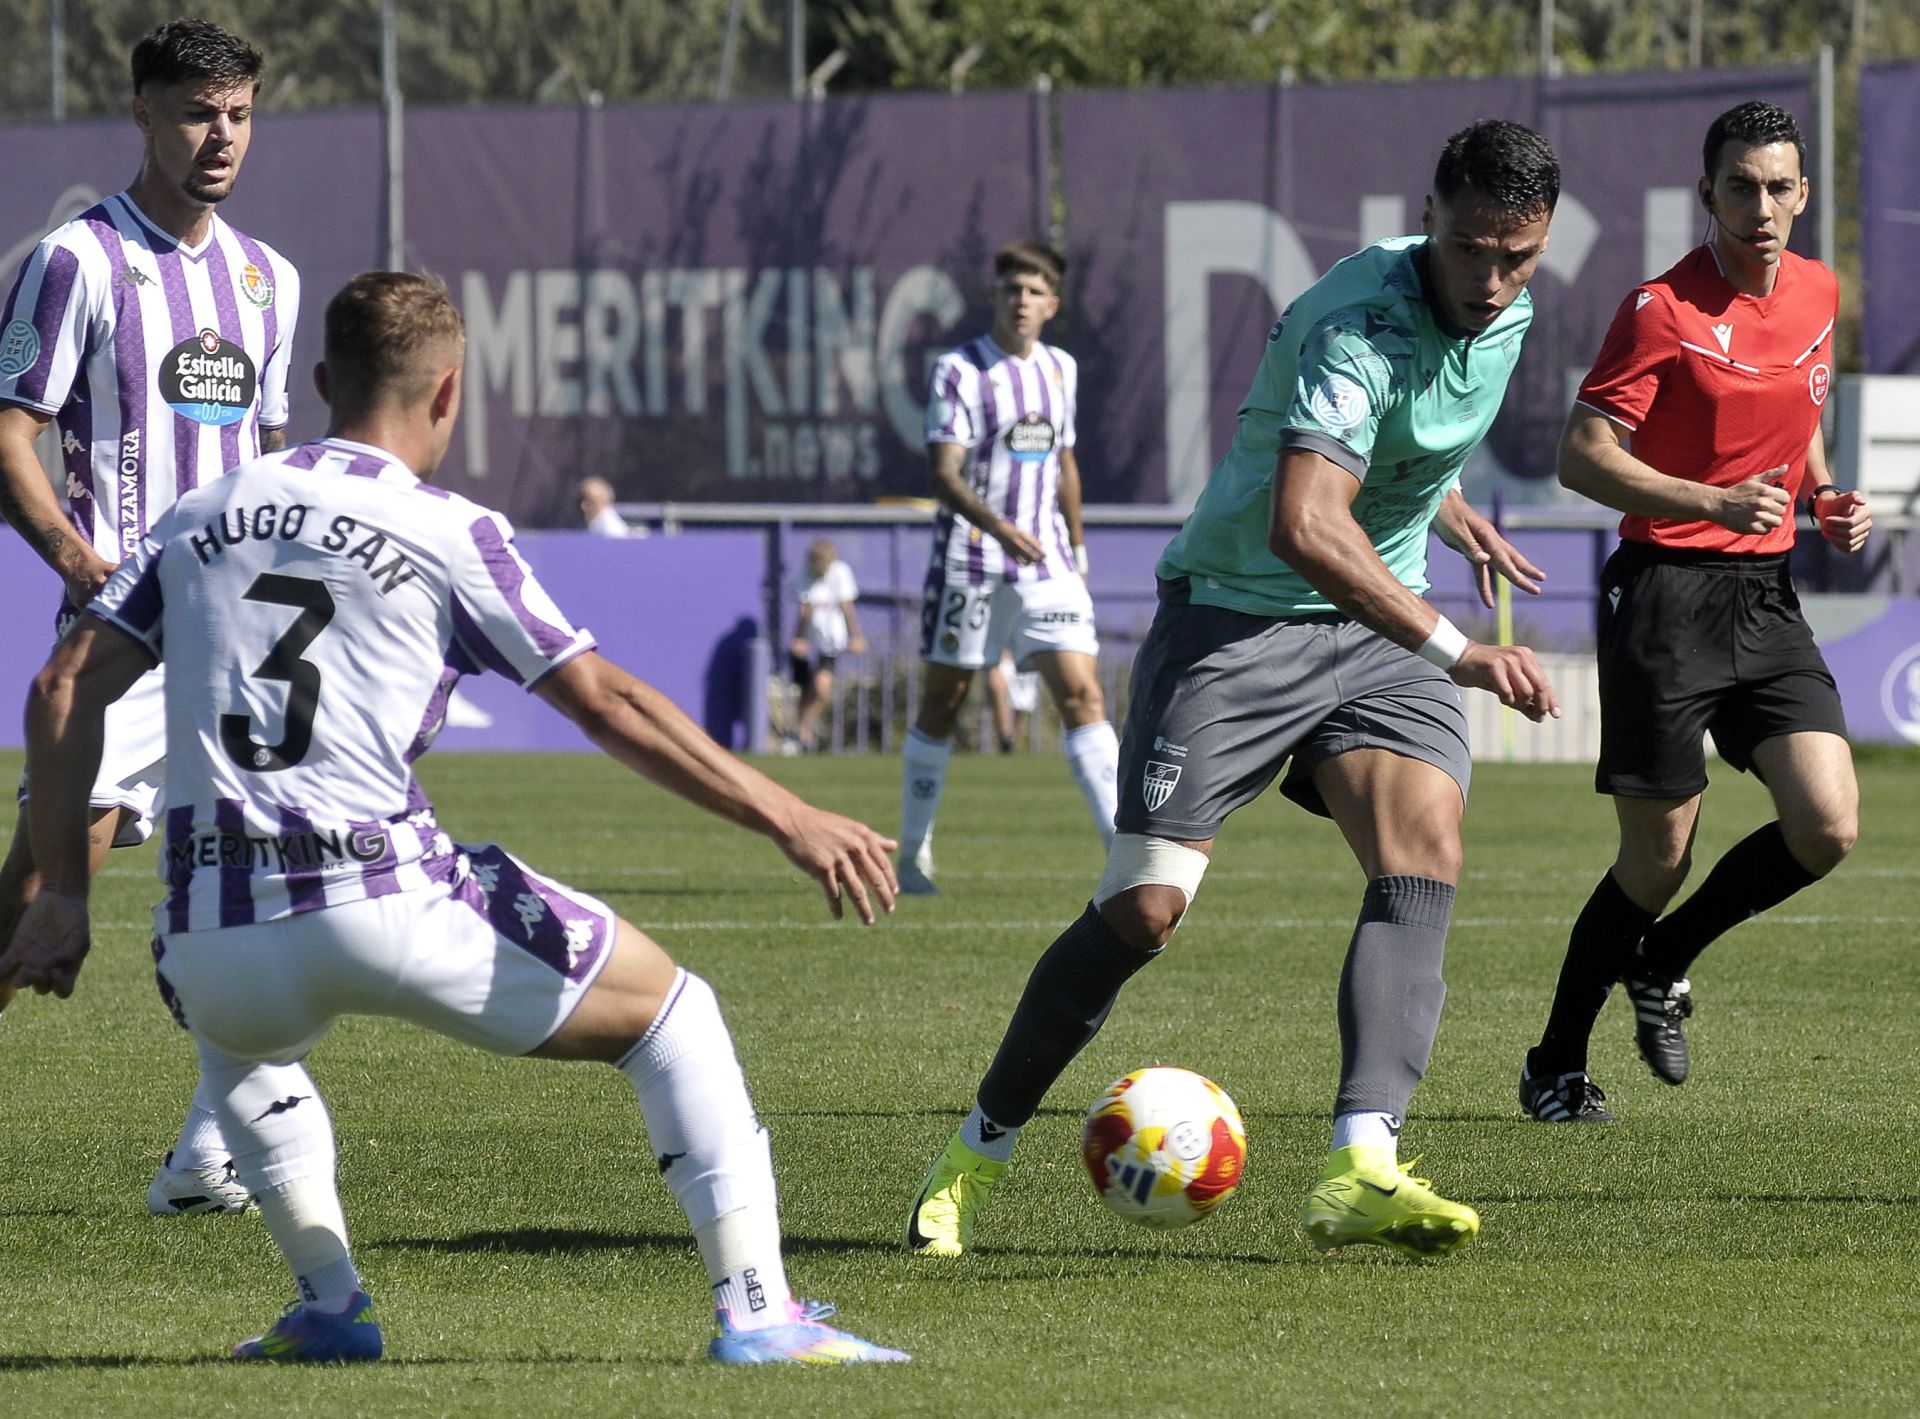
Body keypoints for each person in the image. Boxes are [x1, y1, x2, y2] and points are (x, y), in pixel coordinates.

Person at [0, 272, 909, 1367]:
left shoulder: (200, 514)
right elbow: (607, 704)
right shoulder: (448, 528)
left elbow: (60, 688)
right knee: (677, 1019)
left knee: (241, 1048)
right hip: (384, 898)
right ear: (449, 394)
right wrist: (789, 815)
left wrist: (64, 893)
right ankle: (761, 1314)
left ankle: (330, 1306)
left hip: (211, 933)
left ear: (323, 380)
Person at [907, 119, 1562, 1261]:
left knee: (1424, 849)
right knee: (1144, 911)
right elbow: (1304, 523)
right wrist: (1457, 651)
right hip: (1238, 618)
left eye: (1519, 258)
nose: (1493, 281)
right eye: (1470, 250)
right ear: (1428, 219)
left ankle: (1362, 1165)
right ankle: (975, 1153)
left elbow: (1408, 433)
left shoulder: (1507, 313)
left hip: (1371, 628)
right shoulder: (1355, 327)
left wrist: (1445, 505)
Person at [1519, 101, 1871, 1124]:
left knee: (1828, 824)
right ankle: (1554, 1064)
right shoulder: (1661, 309)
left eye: (1778, 187)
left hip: (1765, 597)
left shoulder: (1818, 291)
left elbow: (1801, 409)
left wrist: (1822, 494)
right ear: (1707, 193)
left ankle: (1665, 956)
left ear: (1803, 195)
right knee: (1657, 858)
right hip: (1664, 596)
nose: (1761, 206)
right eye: (1740, 187)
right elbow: (1582, 456)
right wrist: (1710, 501)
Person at [0, 17, 300, 1216]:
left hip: (240, 642)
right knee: (40, 887)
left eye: (237, 115)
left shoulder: (268, 280)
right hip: (124, 636)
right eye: (195, 113)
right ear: (143, 114)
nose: (219, 136)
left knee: (276, 892)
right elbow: (9, 434)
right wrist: (80, 559)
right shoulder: (78, 261)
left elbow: (271, 463)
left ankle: (205, 1160)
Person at [898, 240, 1118, 895]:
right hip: (971, 560)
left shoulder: (1060, 369)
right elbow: (944, 474)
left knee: (1083, 695)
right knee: (944, 703)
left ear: (1052, 304)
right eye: (1011, 289)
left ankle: (1125, 858)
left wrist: (1077, 549)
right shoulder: (960, 371)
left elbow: (1065, 463)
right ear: (994, 296)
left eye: (1034, 291)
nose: (1021, 300)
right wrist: (1000, 529)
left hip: (1047, 563)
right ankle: (912, 856)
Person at [787, 538, 865, 754]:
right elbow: (805, 611)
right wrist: (798, 638)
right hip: (810, 636)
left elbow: (847, 607)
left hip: (831, 639)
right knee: (803, 687)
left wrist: (856, 636)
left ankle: (802, 728)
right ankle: (801, 733)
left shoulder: (840, 573)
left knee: (821, 687)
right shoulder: (804, 573)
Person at [986, 649, 1039, 753]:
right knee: (996, 684)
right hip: (999, 655)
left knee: (1020, 705)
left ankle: (1010, 745)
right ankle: (1004, 738)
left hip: (1023, 655)